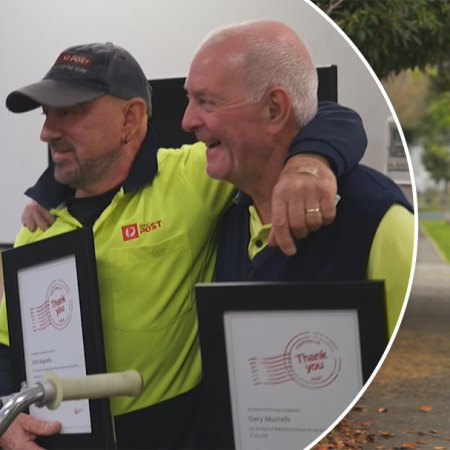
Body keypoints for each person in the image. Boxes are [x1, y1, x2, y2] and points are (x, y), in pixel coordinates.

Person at [0, 41, 367, 449]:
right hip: (57, 438)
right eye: (47, 115)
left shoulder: (191, 179)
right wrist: (5, 419)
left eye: (68, 113)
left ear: (130, 117)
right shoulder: (37, 225)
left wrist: (309, 162)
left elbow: (324, 119)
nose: (46, 132)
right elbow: (4, 345)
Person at [183, 20, 414, 336]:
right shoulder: (225, 207)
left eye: (206, 102)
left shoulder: (383, 223)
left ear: (275, 109)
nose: (187, 120)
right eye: (189, 100)